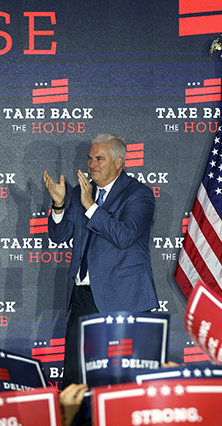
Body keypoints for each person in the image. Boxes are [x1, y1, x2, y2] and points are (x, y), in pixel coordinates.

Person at [44, 133, 157, 388]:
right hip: (83, 296)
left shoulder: (139, 194)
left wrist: (90, 206)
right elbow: (59, 235)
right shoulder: (83, 191)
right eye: (90, 158)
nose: (92, 164)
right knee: (75, 377)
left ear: (119, 162)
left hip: (122, 298)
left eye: (99, 159)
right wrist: (60, 204)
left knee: (120, 382)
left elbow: (125, 235)